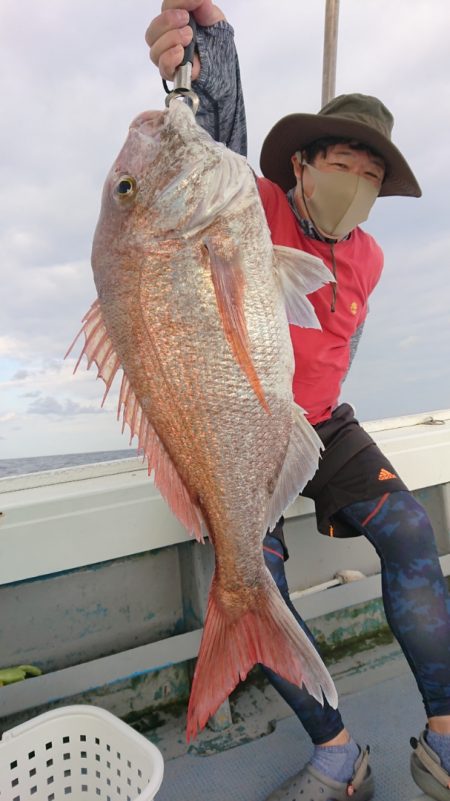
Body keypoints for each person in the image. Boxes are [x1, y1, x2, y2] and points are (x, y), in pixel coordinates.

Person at [146, 3, 450, 799]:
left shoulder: (371, 257)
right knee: (255, 578)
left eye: (373, 176)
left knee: (413, 529)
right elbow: (215, 137)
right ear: (302, 165)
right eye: (343, 163)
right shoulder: (250, 204)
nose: (357, 186)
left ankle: (446, 736)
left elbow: (338, 351)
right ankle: (339, 753)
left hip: (324, 423)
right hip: (244, 422)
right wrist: (207, 48)